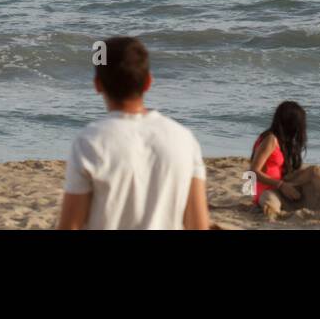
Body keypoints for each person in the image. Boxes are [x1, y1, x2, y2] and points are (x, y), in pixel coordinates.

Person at [57, 36, 210, 230]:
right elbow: (198, 225)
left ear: (97, 84)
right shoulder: (184, 139)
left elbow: (71, 226)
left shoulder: (90, 141)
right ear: (148, 82)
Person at [249, 101, 320, 216]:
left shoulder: (280, 139)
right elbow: (253, 172)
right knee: (269, 202)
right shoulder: (270, 140)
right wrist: (282, 185)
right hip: (267, 190)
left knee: (314, 171)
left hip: (282, 183)